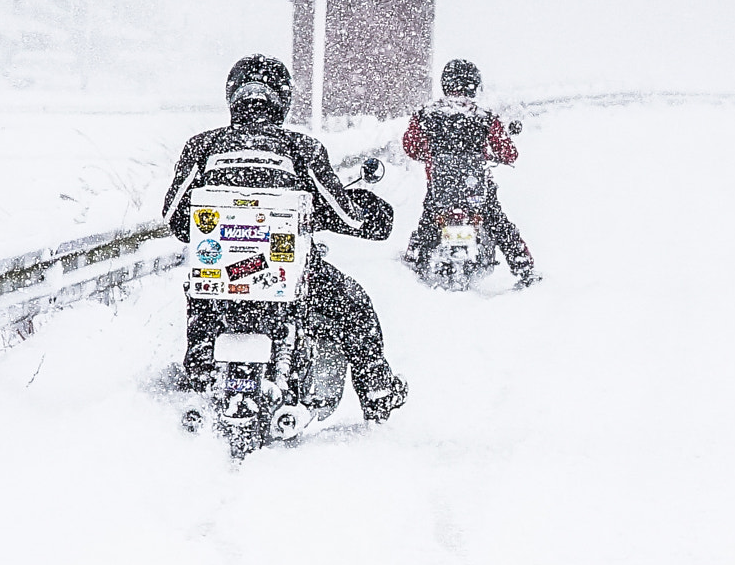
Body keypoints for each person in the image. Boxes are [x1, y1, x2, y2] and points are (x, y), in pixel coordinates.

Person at [162, 54, 408, 420]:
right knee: (354, 308)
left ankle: (199, 383)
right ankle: (378, 393)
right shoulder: (301, 149)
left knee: (201, 302)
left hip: (218, 275)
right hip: (285, 275)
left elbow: (174, 216)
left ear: (232, 96)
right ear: (283, 99)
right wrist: (362, 215)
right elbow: (344, 213)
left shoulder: (203, 147)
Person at [400, 58, 538, 285]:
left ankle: (415, 273)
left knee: (427, 227)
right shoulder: (484, 117)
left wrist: (429, 155)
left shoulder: (426, 114)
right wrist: (496, 155)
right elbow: (509, 152)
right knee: (501, 227)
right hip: (476, 189)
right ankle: (525, 270)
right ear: (474, 84)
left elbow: (410, 146)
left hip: (440, 188)